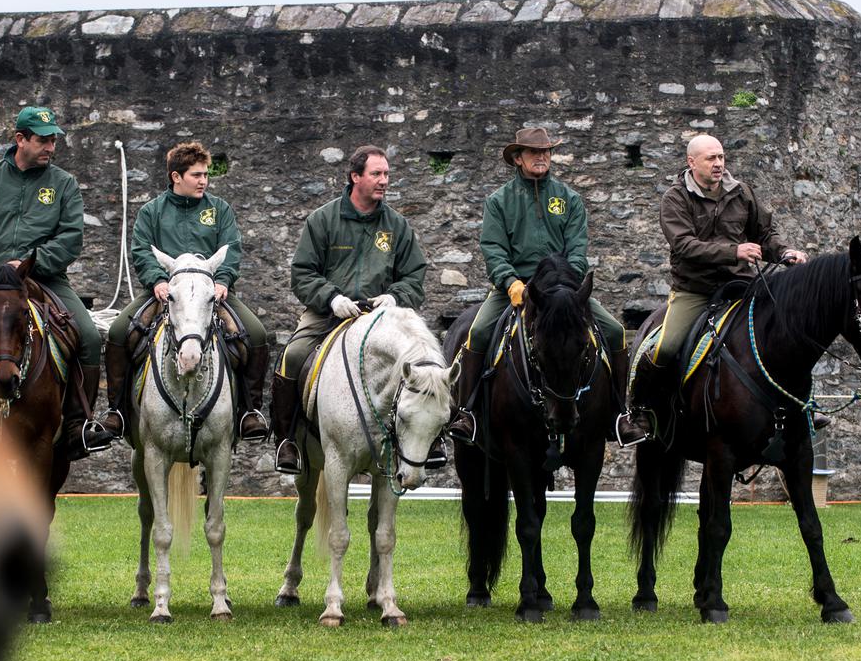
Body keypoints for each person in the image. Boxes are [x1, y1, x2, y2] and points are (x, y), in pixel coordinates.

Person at [615, 133, 809, 444]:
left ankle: (803, 407)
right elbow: (683, 245)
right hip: (695, 290)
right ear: (692, 162)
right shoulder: (675, 198)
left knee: (787, 331)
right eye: (711, 158)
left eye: (721, 157)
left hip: (741, 288)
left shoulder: (741, 192)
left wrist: (785, 252)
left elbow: (765, 235)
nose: (718, 163)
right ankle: (639, 413)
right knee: (664, 347)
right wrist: (733, 252)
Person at [0, 105, 115, 459]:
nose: (51, 147)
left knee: (86, 335)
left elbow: (70, 238)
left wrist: (29, 263)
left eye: (53, 140)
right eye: (43, 140)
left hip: (46, 279)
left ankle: (77, 425)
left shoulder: (63, 184)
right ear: (20, 139)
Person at [444, 127, 631, 445]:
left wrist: (568, 288)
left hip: (563, 292)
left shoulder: (569, 198)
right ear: (518, 158)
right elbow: (492, 249)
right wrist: (511, 282)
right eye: (534, 151)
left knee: (614, 331)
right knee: (476, 334)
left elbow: (577, 250)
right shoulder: (498, 201)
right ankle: (467, 412)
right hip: (515, 290)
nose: (542, 156)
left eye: (546, 151)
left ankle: (619, 412)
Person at [97, 141, 271, 442]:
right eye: (196, 175)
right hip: (163, 294)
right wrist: (156, 279)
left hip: (212, 295)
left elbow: (232, 248)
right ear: (176, 177)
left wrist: (224, 279)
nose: (203, 180)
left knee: (256, 336)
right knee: (117, 333)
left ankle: (249, 411)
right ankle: (117, 411)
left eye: (206, 175)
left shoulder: (220, 210)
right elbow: (140, 250)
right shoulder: (152, 211)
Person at [270, 145, 429, 475]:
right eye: (376, 174)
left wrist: (395, 296)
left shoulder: (397, 225)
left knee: (424, 358)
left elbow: (415, 274)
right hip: (329, 313)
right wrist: (331, 298)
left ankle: (433, 439)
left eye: (386, 174)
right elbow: (302, 273)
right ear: (355, 177)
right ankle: (286, 441)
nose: (384, 180)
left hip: (382, 316)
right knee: (293, 355)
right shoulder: (323, 219)